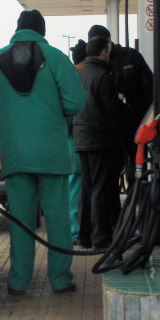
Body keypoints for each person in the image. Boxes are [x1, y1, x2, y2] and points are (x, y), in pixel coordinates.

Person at [0, 9, 87, 295]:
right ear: (43, 32)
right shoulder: (58, 59)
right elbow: (75, 102)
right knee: (58, 221)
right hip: (52, 155)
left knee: (21, 221)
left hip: (15, 156)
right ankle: (60, 280)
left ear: (18, 29)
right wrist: (52, 109)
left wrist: (10, 109)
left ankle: (19, 281)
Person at [73, 35, 128, 250]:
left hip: (82, 140)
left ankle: (83, 237)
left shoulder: (79, 75)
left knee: (87, 190)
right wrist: (126, 105)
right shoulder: (104, 77)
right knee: (101, 189)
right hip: (102, 141)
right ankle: (101, 238)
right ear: (104, 51)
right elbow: (112, 110)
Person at [87, 25, 153, 182]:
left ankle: (137, 197)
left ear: (109, 41)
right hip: (109, 130)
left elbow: (150, 88)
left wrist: (145, 117)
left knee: (136, 169)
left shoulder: (130, 56)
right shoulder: (94, 67)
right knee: (110, 174)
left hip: (134, 125)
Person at [68, 39, 87, 245]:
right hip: (76, 145)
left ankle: (75, 230)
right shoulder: (80, 78)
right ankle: (74, 232)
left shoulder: (69, 77)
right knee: (75, 191)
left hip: (69, 144)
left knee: (72, 190)